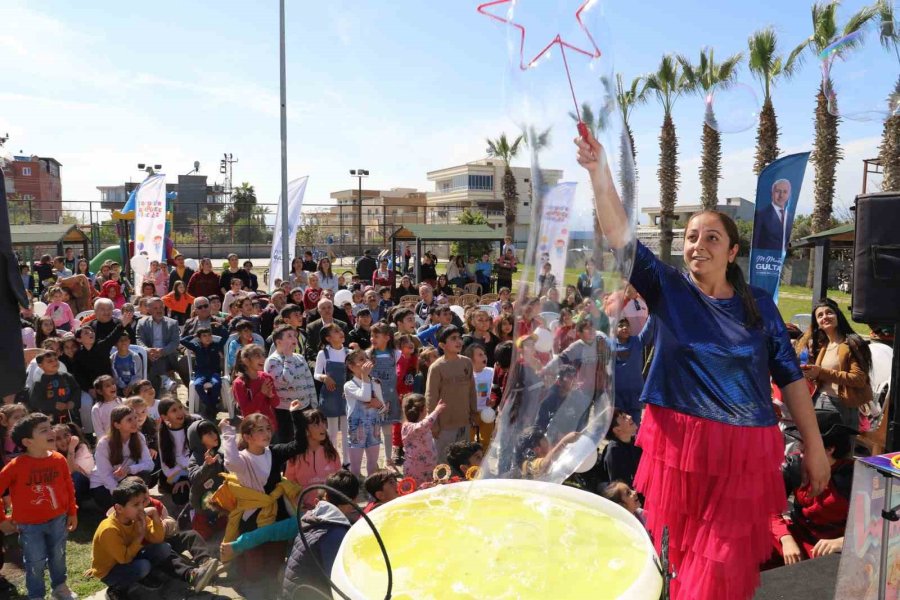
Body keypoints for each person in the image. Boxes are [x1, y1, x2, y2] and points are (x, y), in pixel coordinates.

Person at [576, 132, 829, 600]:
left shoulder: (759, 307)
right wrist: (599, 174)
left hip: (743, 452)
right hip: (678, 447)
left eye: (712, 238)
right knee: (687, 560)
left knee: (721, 564)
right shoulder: (667, 287)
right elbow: (621, 237)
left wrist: (813, 447)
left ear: (733, 252)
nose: (698, 245)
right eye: (692, 237)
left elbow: (791, 378)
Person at [0, 413, 78, 600]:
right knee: (35, 562)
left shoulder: (59, 459)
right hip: (29, 526)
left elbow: (68, 486)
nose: (52, 432)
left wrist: (72, 512)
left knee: (58, 556)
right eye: (44, 430)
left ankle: (60, 587)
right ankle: (36, 595)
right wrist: (2, 519)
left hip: (58, 520)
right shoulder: (15, 466)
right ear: (27, 441)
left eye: (50, 427)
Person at [770, 410, 857, 566]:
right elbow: (769, 508)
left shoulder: (854, 477)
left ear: (830, 449)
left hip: (832, 547)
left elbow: (875, 528)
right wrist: (786, 538)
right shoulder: (794, 465)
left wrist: (843, 542)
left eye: (806, 449)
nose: (799, 452)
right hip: (798, 536)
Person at [280, 470, 360, 598]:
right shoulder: (336, 534)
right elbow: (338, 584)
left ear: (326, 496)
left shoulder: (313, 516)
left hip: (292, 592)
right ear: (354, 500)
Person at [88, 477, 170, 599]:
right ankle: (116, 589)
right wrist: (139, 536)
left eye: (142, 503)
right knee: (143, 566)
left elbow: (157, 539)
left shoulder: (136, 516)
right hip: (110, 570)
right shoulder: (109, 529)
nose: (141, 508)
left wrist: (155, 516)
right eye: (136, 504)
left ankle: (141, 577)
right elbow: (124, 559)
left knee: (164, 548)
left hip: (130, 557)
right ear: (119, 508)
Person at [798, 298, 872, 430]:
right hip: (819, 401)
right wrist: (811, 373)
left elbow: (859, 379)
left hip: (841, 407)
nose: (825, 317)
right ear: (818, 324)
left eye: (829, 312)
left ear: (838, 316)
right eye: (820, 315)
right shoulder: (824, 346)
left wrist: (821, 372)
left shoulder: (851, 344)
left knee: (839, 450)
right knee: (821, 449)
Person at [425, 326, 478, 462]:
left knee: (463, 458)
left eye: (459, 337)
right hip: (444, 425)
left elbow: (472, 390)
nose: (458, 341)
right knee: (445, 461)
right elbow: (431, 397)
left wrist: (473, 412)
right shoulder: (437, 367)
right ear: (442, 345)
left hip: (464, 422)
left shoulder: (466, 362)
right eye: (453, 338)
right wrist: (434, 424)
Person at [89, 405, 154, 513]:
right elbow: (105, 476)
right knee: (119, 512)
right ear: (117, 425)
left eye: (135, 418)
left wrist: (129, 469)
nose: (134, 422)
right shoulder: (104, 444)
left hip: (125, 480)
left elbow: (149, 464)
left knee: (144, 475)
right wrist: (121, 495)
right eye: (129, 419)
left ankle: (135, 503)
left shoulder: (139, 437)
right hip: (103, 485)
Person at [284, 408, 343, 509]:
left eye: (324, 423)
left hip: (329, 507)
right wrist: (300, 506)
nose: (323, 427)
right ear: (305, 430)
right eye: (316, 424)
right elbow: (289, 486)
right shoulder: (295, 456)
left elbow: (339, 481)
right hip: (303, 510)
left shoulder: (331, 452)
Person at [265, 325, 317, 439]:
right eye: (289, 336)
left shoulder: (299, 357)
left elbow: (309, 381)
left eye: (295, 336)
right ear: (278, 342)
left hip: (305, 407)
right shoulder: (272, 361)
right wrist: (288, 358)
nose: (294, 339)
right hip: (285, 411)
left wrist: (314, 404)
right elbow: (285, 380)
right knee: (289, 442)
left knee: (307, 440)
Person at [343, 349, 386, 477]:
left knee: (373, 464)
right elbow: (366, 396)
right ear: (351, 366)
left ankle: (371, 490)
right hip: (357, 431)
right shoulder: (349, 385)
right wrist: (365, 377)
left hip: (374, 429)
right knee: (355, 468)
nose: (366, 362)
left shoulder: (375, 383)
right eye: (361, 360)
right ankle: (355, 492)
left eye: (366, 358)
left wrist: (379, 405)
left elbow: (383, 408)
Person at [136, 297, 186, 395]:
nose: (159, 310)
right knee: (152, 361)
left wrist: (162, 351)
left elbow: (175, 342)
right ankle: (164, 379)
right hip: (150, 355)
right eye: (155, 308)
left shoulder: (172, 323)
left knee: (156, 364)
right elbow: (139, 339)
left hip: (167, 355)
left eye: (161, 308)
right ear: (149, 310)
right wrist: (147, 350)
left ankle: (157, 391)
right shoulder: (142, 323)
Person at [315, 323, 350, 462]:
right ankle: (333, 460)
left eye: (340, 330)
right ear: (328, 338)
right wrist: (324, 377)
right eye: (336, 331)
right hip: (330, 395)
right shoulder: (323, 354)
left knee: (347, 430)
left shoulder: (349, 353)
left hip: (346, 394)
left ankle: (347, 461)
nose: (341, 332)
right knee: (333, 431)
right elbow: (316, 373)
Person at [613, 317, 654, 426]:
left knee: (634, 426)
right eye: (621, 326)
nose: (625, 327)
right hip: (617, 396)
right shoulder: (609, 346)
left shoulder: (638, 341)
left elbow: (650, 326)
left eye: (627, 325)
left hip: (635, 394)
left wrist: (655, 311)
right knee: (620, 427)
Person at [157, 398, 196, 507]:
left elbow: (198, 455)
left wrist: (187, 476)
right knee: (180, 497)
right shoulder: (163, 434)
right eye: (174, 410)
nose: (180, 412)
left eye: (180, 407)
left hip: (195, 470)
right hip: (176, 473)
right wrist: (181, 478)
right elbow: (165, 464)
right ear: (165, 417)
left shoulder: (194, 425)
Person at [180, 327, 226, 419]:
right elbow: (182, 341)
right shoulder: (196, 346)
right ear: (199, 338)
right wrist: (193, 336)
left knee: (217, 383)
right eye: (204, 336)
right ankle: (211, 406)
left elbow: (225, 337)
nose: (207, 338)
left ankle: (210, 407)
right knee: (197, 385)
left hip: (214, 372)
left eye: (209, 335)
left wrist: (220, 327)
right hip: (201, 372)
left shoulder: (216, 345)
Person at [232, 344, 280, 432]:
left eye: (263, 355)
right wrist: (261, 393)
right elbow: (247, 412)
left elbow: (276, 403)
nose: (263, 359)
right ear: (246, 361)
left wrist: (271, 396)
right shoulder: (239, 383)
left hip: (270, 426)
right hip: (254, 429)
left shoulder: (266, 377)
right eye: (257, 356)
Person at [401, 393, 446, 485]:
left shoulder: (421, 424)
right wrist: (436, 411)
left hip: (428, 468)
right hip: (416, 469)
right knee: (416, 492)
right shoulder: (408, 427)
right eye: (426, 407)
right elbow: (424, 425)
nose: (427, 410)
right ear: (421, 410)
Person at [28, 350, 81, 424]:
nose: (54, 362)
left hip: (70, 414)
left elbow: (76, 390)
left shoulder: (67, 376)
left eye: (56, 359)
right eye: (49, 361)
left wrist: (73, 402)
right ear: (40, 365)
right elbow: (35, 401)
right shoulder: (39, 382)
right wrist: (53, 405)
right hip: (51, 418)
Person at [599, 409, 642, 489]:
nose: (629, 417)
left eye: (626, 414)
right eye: (623, 417)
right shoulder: (614, 452)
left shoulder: (636, 442)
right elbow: (620, 488)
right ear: (617, 430)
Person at [752, 178, 794, 252]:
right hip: (765, 261)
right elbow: (755, 242)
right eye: (778, 191)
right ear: (772, 193)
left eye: (785, 192)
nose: (781, 195)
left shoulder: (789, 217)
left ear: (789, 195)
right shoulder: (761, 215)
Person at [111, 332, 143, 396]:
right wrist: (123, 387)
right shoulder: (112, 359)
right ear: (115, 343)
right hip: (119, 387)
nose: (123, 342)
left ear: (129, 341)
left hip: (134, 386)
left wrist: (130, 386)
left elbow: (138, 375)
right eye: (120, 340)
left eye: (125, 339)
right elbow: (115, 376)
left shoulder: (135, 357)